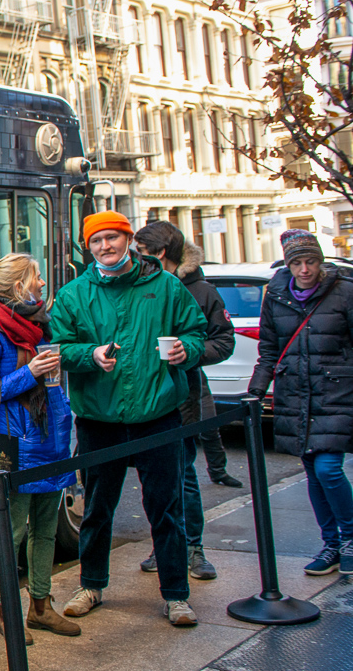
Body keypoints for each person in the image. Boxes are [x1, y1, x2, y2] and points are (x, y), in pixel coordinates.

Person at [51, 212, 209, 628]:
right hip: (98, 419)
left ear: (128, 240)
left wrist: (187, 351)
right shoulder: (73, 294)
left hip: (157, 416)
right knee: (97, 508)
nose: (105, 246)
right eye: (97, 240)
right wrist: (90, 355)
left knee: (166, 508)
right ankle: (90, 585)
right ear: (88, 247)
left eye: (113, 237)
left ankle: (176, 595)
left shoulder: (167, 286)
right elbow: (59, 349)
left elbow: (197, 333)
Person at [0, 255, 79, 642]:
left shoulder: (38, 325)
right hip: (14, 448)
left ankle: (41, 607)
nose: (43, 284)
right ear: (18, 286)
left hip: (49, 441)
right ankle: (8, 614)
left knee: (46, 530)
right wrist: (28, 373)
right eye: (37, 277)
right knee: (10, 533)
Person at [134, 222, 240, 582]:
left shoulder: (201, 290)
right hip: (145, 398)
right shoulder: (137, 287)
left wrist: (190, 352)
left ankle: (193, 548)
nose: (135, 257)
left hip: (182, 397)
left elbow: (223, 341)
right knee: (154, 480)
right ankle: (162, 544)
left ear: (160, 252)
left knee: (183, 475)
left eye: (140, 251)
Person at [249, 229, 353, 577]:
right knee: (312, 470)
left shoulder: (344, 292)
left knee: (328, 469)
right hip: (294, 392)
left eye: (310, 262)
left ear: (320, 262)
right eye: (297, 263)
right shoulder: (276, 295)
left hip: (337, 393)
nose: (305, 270)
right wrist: (256, 391)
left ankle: (350, 537)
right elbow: (269, 349)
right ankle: (331, 544)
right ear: (288, 265)